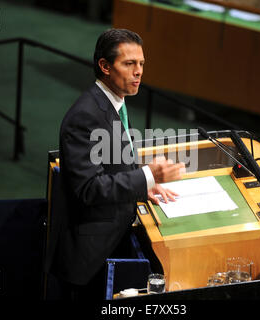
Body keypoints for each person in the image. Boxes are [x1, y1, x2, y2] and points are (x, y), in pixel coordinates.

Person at [44, 28, 185, 300]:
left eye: (141, 64)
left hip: (114, 237)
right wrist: (146, 177)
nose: (139, 72)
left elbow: (113, 166)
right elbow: (88, 188)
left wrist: (144, 187)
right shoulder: (84, 116)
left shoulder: (115, 102)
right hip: (91, 256)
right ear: (105, 66)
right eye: (129, 63)